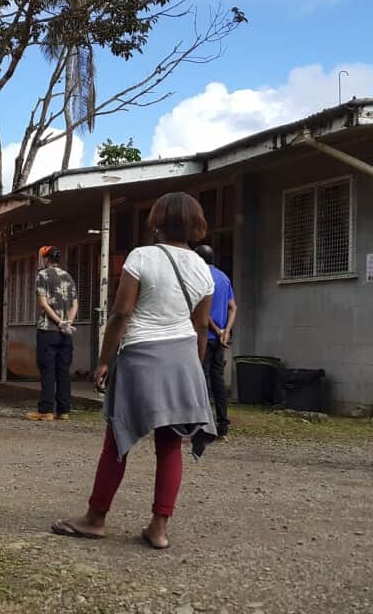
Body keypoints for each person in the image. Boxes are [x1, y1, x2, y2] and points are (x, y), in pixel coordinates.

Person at [51, 192, 217, 550]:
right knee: (170, 446)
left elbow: (122, 313)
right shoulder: (204, 269)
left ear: (156, 220)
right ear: (195, 224)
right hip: (184, 356)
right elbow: (201, 326)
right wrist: (195, 368)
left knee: (117, 444)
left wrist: (104, 359)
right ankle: (158, 529)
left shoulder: (141, 257)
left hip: (142, 353)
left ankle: (95, 519)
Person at [28, 245, 78, 422]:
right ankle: (64, 410)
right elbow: (75, 304)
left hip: (48, 329)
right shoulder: (68, 276)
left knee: (48, 370)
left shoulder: (42, 275)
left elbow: (43, 303)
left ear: (46, 259)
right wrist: (67, 323)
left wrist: (58, 322)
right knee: (63, 370)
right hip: (66, 332)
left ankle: (46, 410)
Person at [195, 245, 237, 437]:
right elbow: (233, 307)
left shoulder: (201, 277)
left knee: (202, 378)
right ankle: (223, 424)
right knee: (218, 380)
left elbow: (201, 310)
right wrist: (226, 331)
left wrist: (217, 329)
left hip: (205, 336)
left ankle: (203, 423)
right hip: (221, 339)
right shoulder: (224, 277)